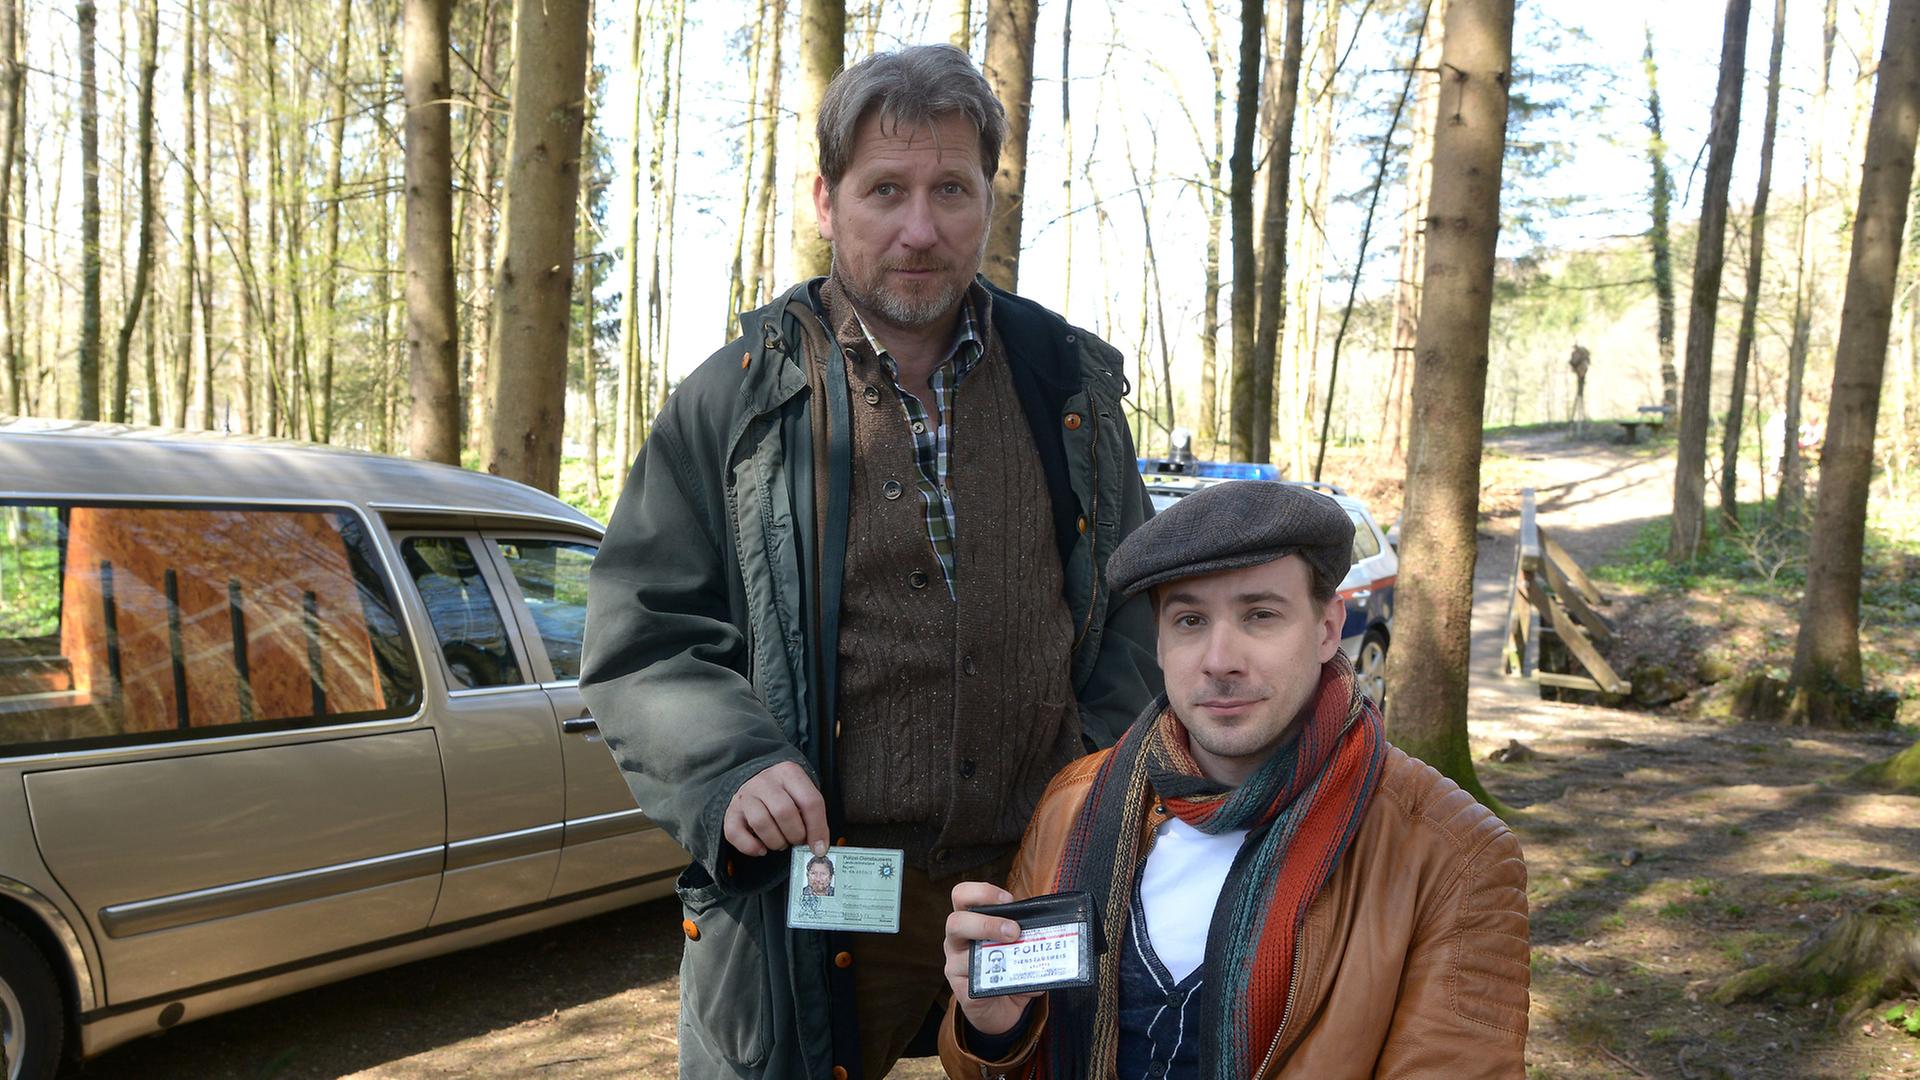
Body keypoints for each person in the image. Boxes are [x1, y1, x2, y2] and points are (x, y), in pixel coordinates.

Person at [579, 43, 1161, 1080]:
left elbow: (1140, 605)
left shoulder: (1067, 386)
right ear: (826, 199)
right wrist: (728, 764)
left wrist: (1093, 778)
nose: (919, 229)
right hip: (819, 893)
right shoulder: (736, 404)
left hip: (1033, 878)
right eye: (885, 190)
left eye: (952, 190)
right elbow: (645, 636)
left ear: (990, 199)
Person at [938, 481, 1530, 1078]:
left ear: (1327, 629)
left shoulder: (1454, 854)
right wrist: (997, 1032)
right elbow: (990, 1063)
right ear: (1159, 642)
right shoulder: (1075, 802)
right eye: (1190, 620)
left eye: (1260, 615)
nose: (1220, 660)